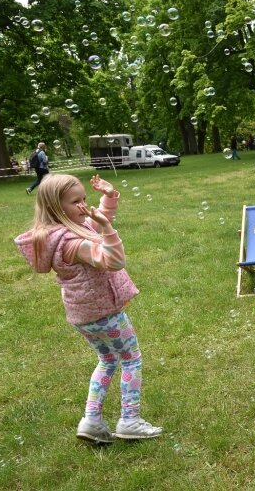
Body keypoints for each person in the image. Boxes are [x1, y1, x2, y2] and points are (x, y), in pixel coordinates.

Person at [14, 174, 162, 444]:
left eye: (84, 199)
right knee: (131, 358)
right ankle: (130, 420)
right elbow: (113, 261)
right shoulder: (73, 243)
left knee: (107, 360)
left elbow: (92, 223)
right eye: (76, 201)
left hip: (84, 316)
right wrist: (108, 229)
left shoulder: (64, 232)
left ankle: (91, 420)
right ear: (56, 208)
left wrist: (108, 196)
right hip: (105, 314)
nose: (84, 206)